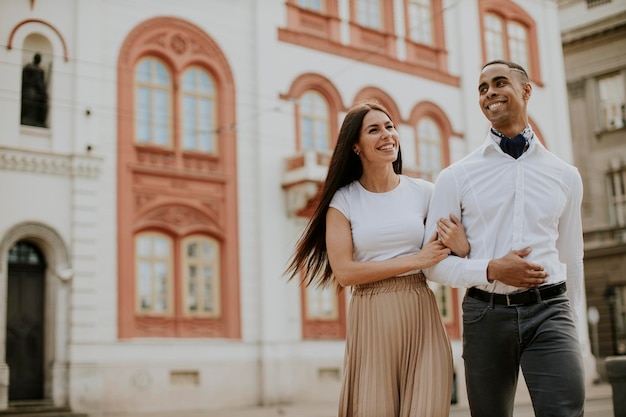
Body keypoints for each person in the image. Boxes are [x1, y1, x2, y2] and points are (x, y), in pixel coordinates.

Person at [285, 101, 469, 417]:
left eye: (389, 126)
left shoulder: (425, 192)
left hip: (422, 315)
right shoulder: (344, 201)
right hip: (371, 317)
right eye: (374, 129)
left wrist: (462, 246)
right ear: (355, 146)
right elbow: (344, 272)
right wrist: (415, 260)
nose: (387, 135)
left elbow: (455, 251)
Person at [424, 60, 585, 417]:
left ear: (526, 91)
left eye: (499, 83)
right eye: (483, 88)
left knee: (565, 412)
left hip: (551, 312)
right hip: (485, 315)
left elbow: (572, 255)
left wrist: (574, 328)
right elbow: (433, 266)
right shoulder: (456, 176)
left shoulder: (566, 175)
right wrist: (492, 269)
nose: (490, 93)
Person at [21, 53, 48, 127]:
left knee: (43, 100)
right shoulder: (29, 67)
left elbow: (41, 83)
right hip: (30, 89)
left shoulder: (40, 70)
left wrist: (43, 92)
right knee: (30, 96)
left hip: (38, 91)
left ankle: (39, 120)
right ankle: (26, 117)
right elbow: (25, 79)